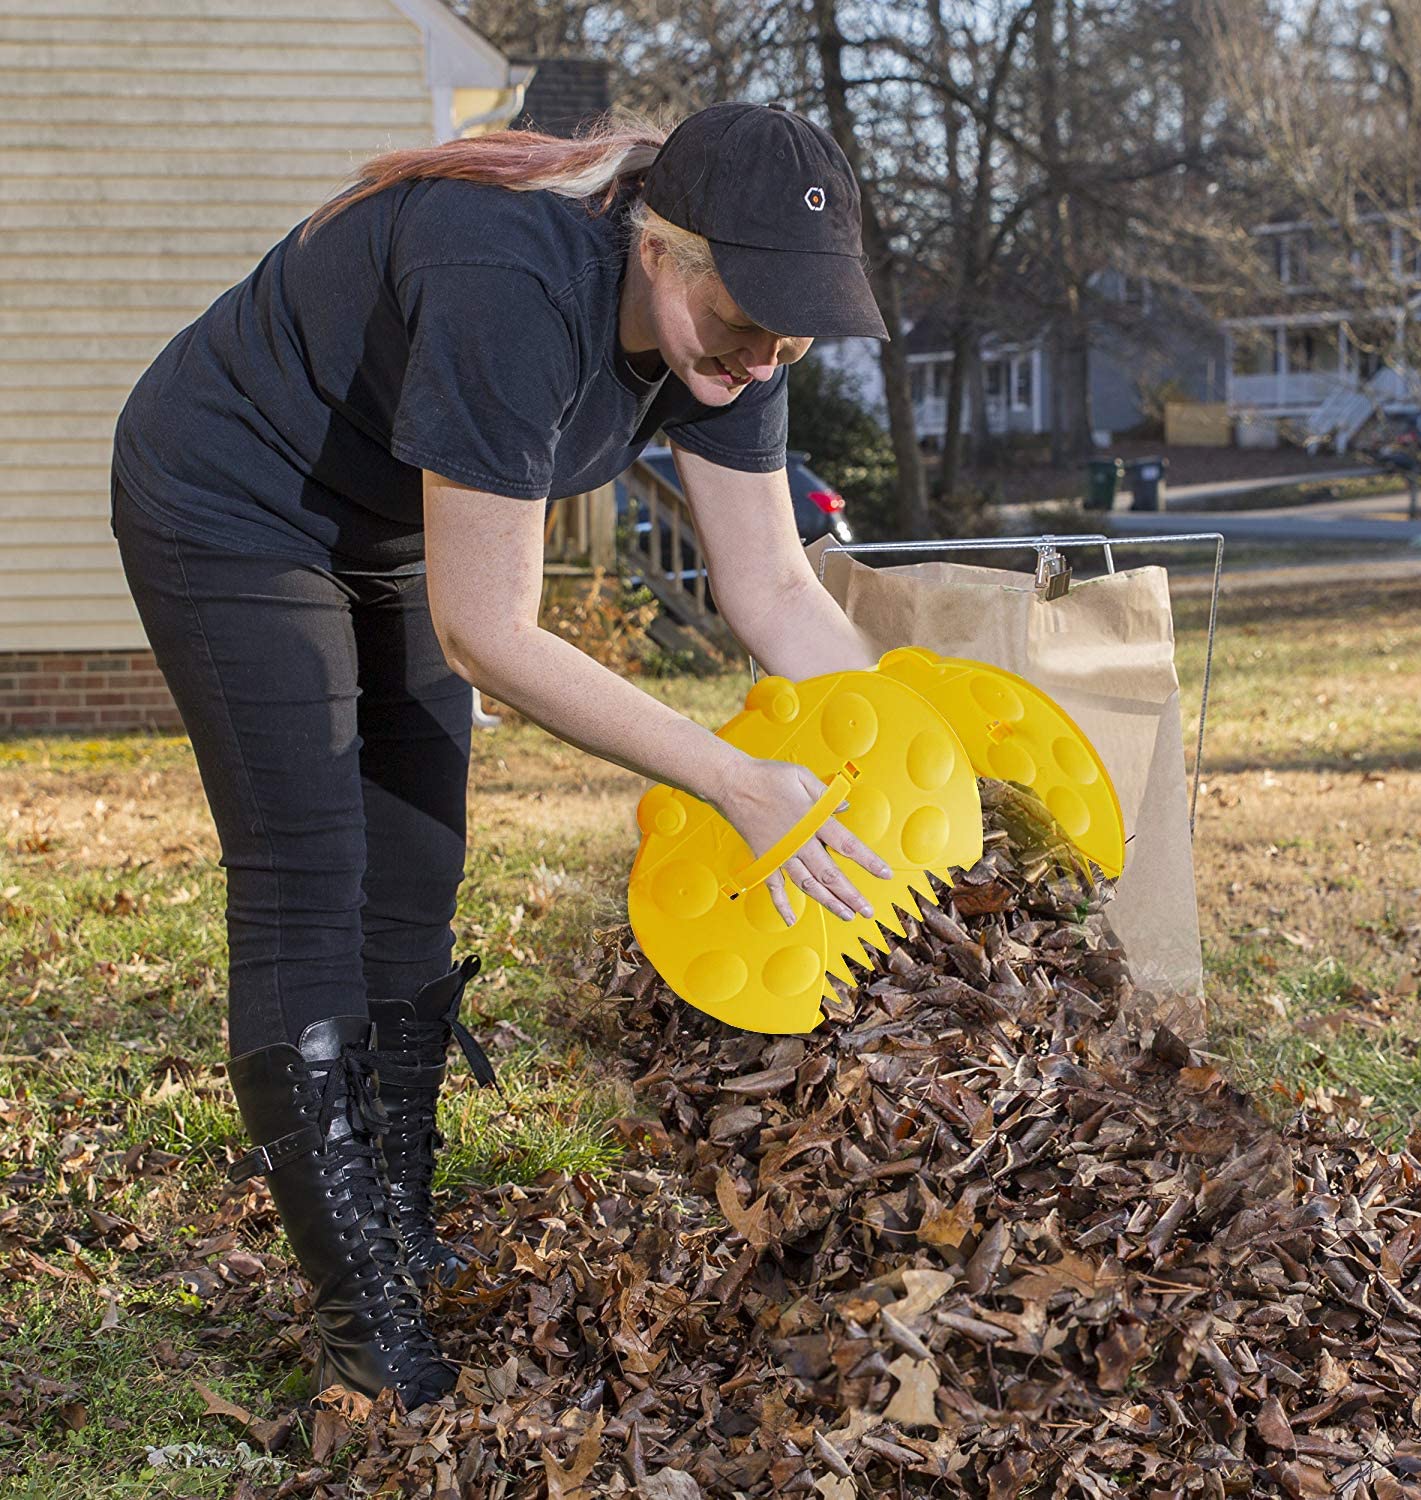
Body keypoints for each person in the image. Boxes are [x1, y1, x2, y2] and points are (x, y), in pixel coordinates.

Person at [110, 101, 895, 1409]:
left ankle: (400, 1223)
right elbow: (492, 634)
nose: (762, 356)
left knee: (417, 872)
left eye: (790, 329)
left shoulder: (736, 348)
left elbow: (772, 590)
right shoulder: (513, 276)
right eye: (745, 315)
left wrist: (908, 757)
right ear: (659, 248)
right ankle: (368, 1323)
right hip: (235, 502)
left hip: (396, 527)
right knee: (313, 869)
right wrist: (733, 781)